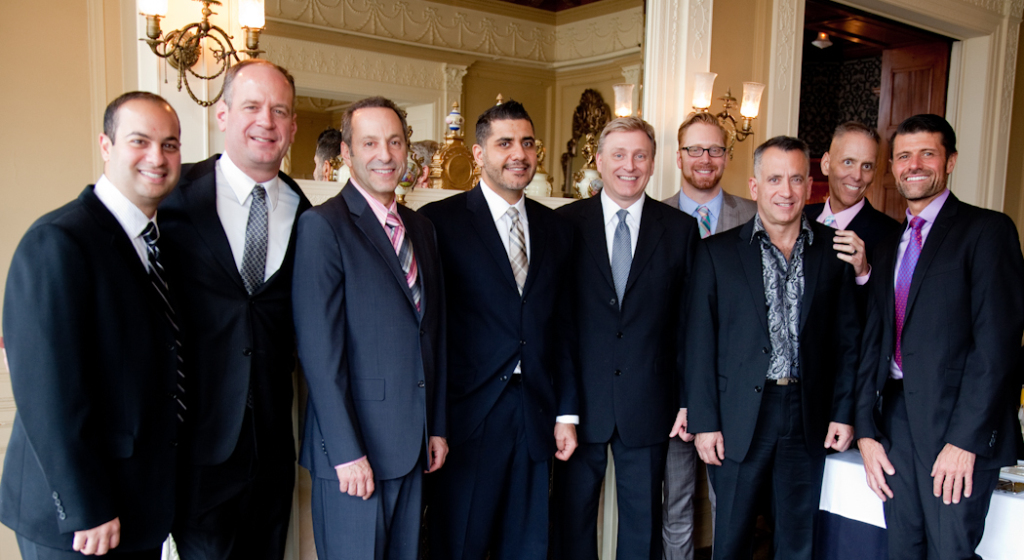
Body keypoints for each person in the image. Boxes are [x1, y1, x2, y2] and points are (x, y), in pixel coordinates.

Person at [1, 91, 183, 558]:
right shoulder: (58, 242)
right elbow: (46, 392)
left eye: (169, 145)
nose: (156, 158)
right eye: (139, 141)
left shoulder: (158, 245)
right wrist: (87, 507)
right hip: (81, 523)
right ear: (106, 146)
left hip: (138, 508)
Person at [158, 59, 311, 559]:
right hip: (195, 447)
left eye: (279, 110)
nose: (266, 121)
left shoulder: (308, 214)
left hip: (271, 447)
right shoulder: (175, 197)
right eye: (251, 106)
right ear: (222, 114)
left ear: (292, 127)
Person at [855, 114, 1024, 560]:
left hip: (956, 427)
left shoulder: (987, 231)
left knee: (950, 552)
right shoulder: (891, 242)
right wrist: (867, 432)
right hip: (895, 422)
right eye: (904, 156)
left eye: (927, 153)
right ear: (892, 167)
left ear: (949, 161)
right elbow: (873, 341)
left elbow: (998, 347)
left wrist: (966, 440)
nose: (915, 164)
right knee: (903, 550)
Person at [686, 136, 860, 560]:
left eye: (797, 179)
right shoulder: (715, 254)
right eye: (776, 179)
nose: (787, 190)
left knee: (798, 536)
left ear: (809, 186)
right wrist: (705, 421)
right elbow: (698, 342)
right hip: (738, 416)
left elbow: (847, 341)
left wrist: (842, 411)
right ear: (755, 186)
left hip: (808, 412)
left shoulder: (834, 251)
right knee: (732, 535)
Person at [419, 101, 578, 559]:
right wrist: (435, 422)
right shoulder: (439, 224)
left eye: (527, 143)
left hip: (537, 415)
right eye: (504, 143)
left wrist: (566, 413)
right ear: (477, 153)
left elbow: (563, 327)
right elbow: (432, 329)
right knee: (462, 541)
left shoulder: (556, 228)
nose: (519, 154)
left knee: (529, 544)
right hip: (468, 416)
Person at [292, 96, 448, 560]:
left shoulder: (421, 229)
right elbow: (320, 354)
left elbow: (433, 334)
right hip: (353, 455)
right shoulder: (323, 227)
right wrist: (344, 451)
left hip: (412, 445)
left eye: (395, 141)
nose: (385, 154)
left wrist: (435, 426)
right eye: (371, 142)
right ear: (347, 151)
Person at [554, 117, 697, 560]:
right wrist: (563, 408)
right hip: (580, 405)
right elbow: (555, 324)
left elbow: (690, 326)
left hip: (650, 403)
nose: (628, 166)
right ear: (598, 161)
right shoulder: (562, 225)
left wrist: (689, 400)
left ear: (654, 163)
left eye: (639, 155)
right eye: (618, 155)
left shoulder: (679, 230)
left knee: (643, 526)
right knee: (571, 521)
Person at [660, 111, 757, 560]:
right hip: (672, 388)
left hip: (736, 389)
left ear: (727, 156)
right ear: (679, 157)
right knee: (675, 504)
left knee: (731, 506)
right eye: (695, 150)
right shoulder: (655, 217)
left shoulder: (756, 215)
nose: (705, 158)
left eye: (715, 149)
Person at [803, 121, 900, 278]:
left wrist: (863, 273)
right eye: (848, 162)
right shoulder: (800, 217)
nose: (857, 176)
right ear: (826, 164)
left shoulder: (891, 235)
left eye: (866, 166)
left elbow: (889, 301)